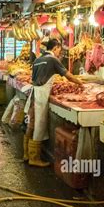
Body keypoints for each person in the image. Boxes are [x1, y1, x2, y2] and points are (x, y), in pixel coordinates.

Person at [24, 39, 83, 167]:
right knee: (39, 125)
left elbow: (32, 79)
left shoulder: (37, 60)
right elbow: (69, 76)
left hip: (34, 93)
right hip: (41, 96)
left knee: (31, 123)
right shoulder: (52, 59)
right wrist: (81, 84)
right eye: (59, 50)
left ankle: (26, 154)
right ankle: (34, 158)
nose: (59, 53)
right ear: (55, 47)